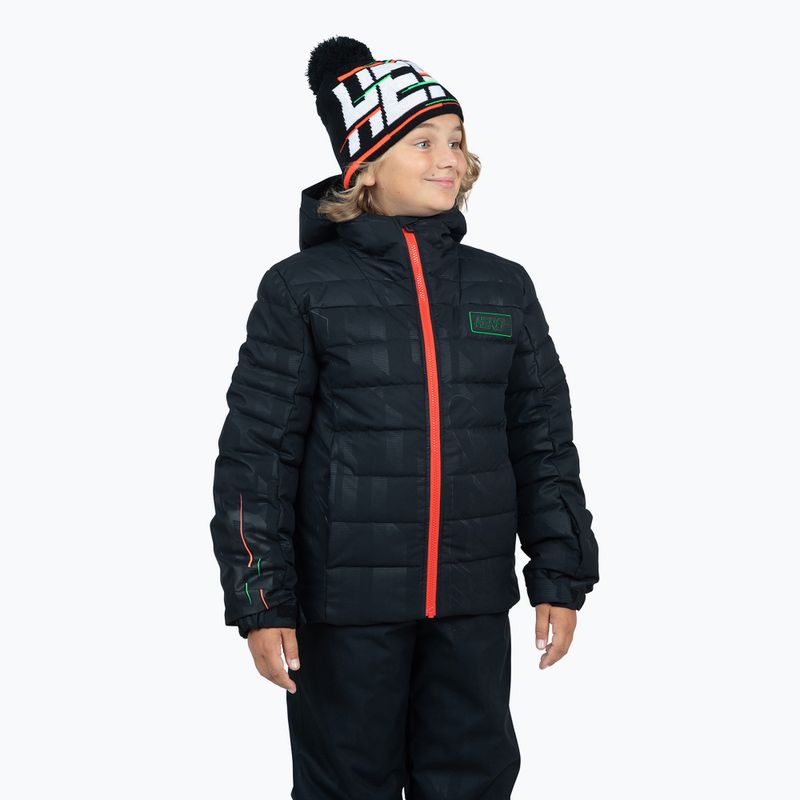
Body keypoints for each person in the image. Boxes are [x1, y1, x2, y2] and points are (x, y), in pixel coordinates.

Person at [209, 35, 600, 799]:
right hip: (345, 610)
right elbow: (258, 453)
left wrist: (560, 572)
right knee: (347, 786)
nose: (449, 158)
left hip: (471, 601)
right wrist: (260, 600)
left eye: (455, 139)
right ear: (365, 166)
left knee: (474, 780)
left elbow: (543, 440)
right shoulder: (301, 289)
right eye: (423, 142)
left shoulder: (502, 288)